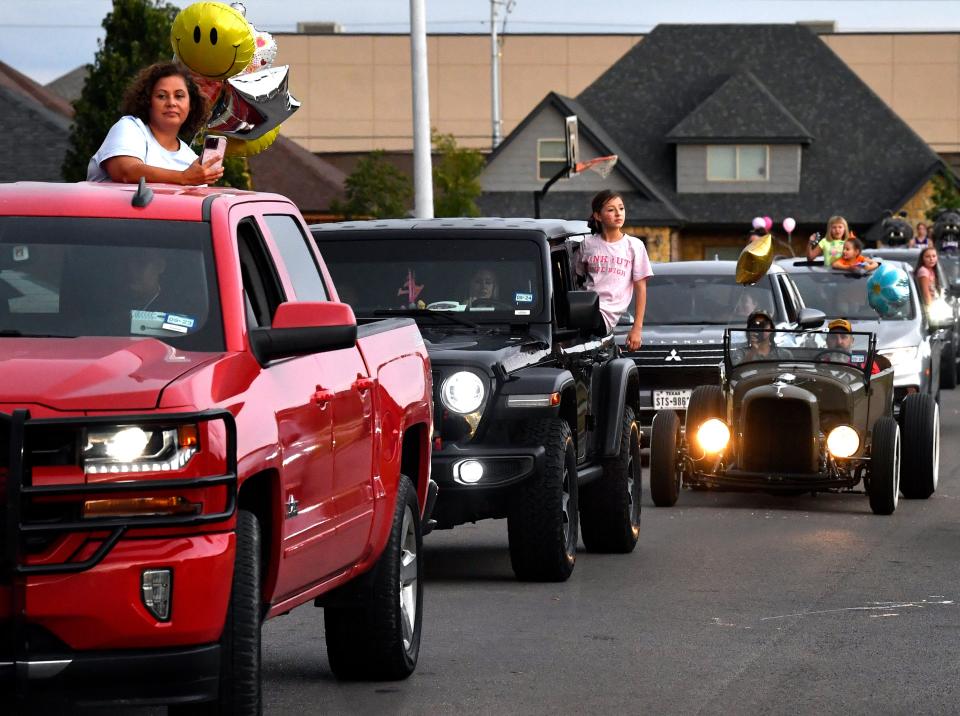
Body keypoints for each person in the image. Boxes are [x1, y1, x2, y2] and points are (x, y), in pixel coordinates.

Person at [87, 61, 223, 186]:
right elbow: (125, 172)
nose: (171, 103)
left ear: (191, 104)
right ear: (147, 101)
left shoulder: (192, 161)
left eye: (179, 96)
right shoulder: (130, 128)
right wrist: (183, 178)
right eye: (161, 96)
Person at [576, 190, 653, 350]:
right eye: (611, 210)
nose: (618, 214)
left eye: (621, 208)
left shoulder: (634, 246)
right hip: (584, 307)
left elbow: (641, 289)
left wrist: (637, 329)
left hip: (605, 315)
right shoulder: (587, 244)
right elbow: (576, 278)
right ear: (598, 216)